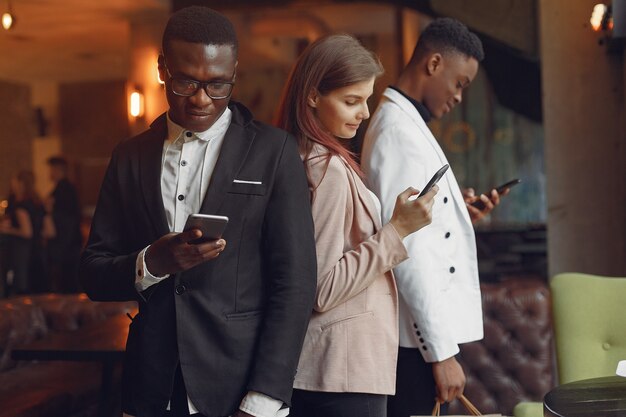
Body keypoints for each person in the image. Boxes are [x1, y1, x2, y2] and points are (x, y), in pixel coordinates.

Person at [79, 7, 317, 417]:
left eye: (218, 84)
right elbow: (93, 273)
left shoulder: (273, 152)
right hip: (150, 387)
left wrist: (265, 397)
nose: (203, 98)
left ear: (234, 72)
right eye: (186, 82)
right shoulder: (129, 156)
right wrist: (152, 261)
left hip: (239, 386)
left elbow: (294, 284)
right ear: (161, 69)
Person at [275, 34, 438, 417]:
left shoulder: (298, 157)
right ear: (313, 96)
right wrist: (397, 229)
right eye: (352, 101)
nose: (365, 112)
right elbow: (322, 286)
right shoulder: (327, 169)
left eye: (366, 99)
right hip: (341, 372)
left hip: (330, 368)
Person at [361, 18, 505, 416]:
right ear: (434, 63)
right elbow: (407, 249)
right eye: (460, 83)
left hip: (414, 341)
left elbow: (418, 227)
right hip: (412, 345)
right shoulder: (397, 132)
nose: (459, 96)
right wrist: (441, 354)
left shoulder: (406, 123)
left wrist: (455, 214)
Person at [0, 171, 53, 294]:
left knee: (22, 289)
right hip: (39, 252)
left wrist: (6, 230)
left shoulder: (21, 206)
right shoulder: (39, 204)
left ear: (21, 184)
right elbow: (50, 231)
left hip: (23, 253)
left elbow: (27, 232)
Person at [46, 156, 82, 293]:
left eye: (51, 169)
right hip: (67, 243)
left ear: (58, 170)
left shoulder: (64, 189)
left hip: (65, 245)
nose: (49, 173)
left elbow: (66, 220)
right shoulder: (64, 188)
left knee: (66, 281)